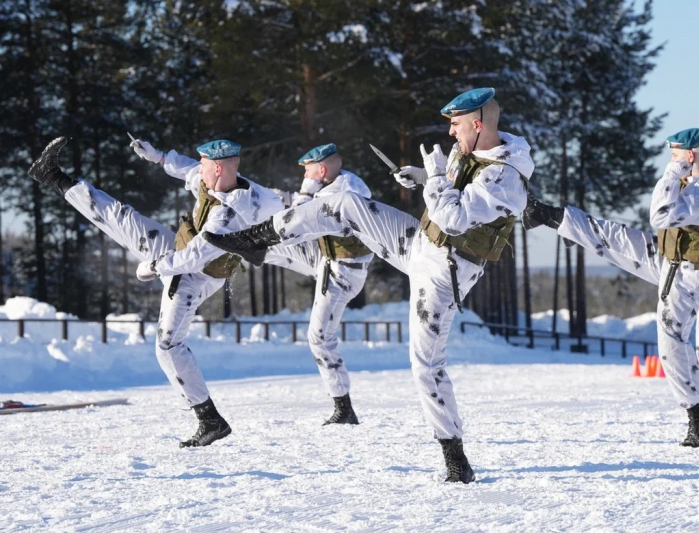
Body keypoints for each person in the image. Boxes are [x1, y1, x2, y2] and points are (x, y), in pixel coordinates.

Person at [203, 88, 535, 483]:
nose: (451, 133)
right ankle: (256, 240)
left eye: (456, 124)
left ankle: (455, 458)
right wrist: (419, 176)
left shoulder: (506, 178)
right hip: (420, 243)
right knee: (344, 202)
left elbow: (454, 219)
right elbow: (452, 187)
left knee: (426, 367)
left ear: (478, 124)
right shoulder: (476, 149)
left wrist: (432, 180)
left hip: (444, 271)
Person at [27, 136, 284, 447]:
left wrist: (153, 268)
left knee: (168, 346)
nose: (199, 170)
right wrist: (159, 157)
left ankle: (210, 420)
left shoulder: (229, 215)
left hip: (194, 275)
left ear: (217, 168)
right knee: (122, 217)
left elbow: (193, 258)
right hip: (178, 249)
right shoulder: (214, 180)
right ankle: (52, 175)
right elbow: (188, 170)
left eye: (205, 165)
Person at [524, 157, 699, 434]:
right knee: (618, 237)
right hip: (675, 260)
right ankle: (554, 218)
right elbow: (669, 216)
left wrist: (697, 216)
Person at [260, 143, 374, 425]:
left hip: (343, 271)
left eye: (307, 172)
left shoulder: (344, 192)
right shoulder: (340, 183)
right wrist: (287, 199)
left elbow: (294, 226)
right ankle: (230, 250)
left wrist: (301, 196)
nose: (304, 177)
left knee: (320, 338)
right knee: (262, 247)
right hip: (327, 257)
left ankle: (343, 407)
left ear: (320, 171)